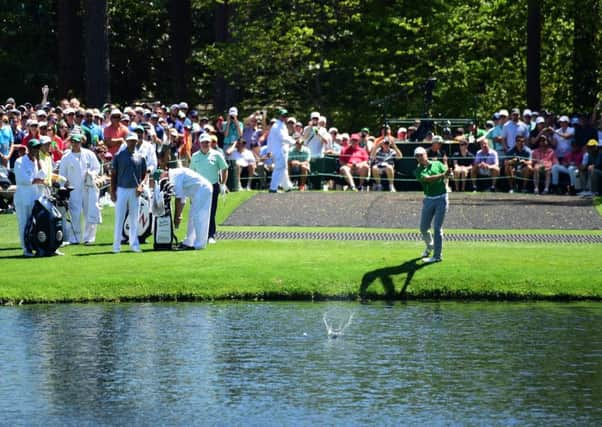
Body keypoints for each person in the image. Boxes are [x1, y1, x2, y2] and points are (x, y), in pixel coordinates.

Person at [58, 133, 102, 244]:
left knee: (89, 211)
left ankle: (89, 238)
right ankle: (75, 238)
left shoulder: (89, 154)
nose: (75, 144)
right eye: (73, 142)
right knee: (75, 213)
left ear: (81, 142)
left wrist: (91, 174)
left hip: (88, 187)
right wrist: (64, 186)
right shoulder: (66, 157)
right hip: (73, 189)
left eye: (77, 142)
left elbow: (97, 167)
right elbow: (62, 174)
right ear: (70, 142)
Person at [110, 133, 147, 253]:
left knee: (134, 218)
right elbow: (113, 174)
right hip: (121, 189)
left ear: (137, 142)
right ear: (126, 141)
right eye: (130, 141)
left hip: (135, 191)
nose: (132, 143)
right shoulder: (119, 155)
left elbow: (144, 174)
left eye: (134, 141)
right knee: (119, 217)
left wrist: (141, 185)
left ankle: (134, 244)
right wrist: (112, 191)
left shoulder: (140, 157)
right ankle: (116, 246)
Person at [190, 133, 228, 244]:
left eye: (207, 142)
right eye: (203, 142)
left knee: (211, 212)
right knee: (198, 211)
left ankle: (211, 235)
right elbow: (192, 172)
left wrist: (223, 184)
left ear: (210, 143)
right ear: (199, 143)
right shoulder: (195, 156)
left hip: (213, 186)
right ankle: (199, 234)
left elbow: (224, 169)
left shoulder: (217, 155)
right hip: (199, 187)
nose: (205, 144)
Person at [414, 146, 448, 263]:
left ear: (425, 154)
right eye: (417, 156)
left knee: (437, 228)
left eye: (421, 155)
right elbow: (428, 179)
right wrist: (444, 175)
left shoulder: (437, 164)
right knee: (423, 228)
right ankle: (430, 246)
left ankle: (437, 256)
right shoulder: (418, 171)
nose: (419, 158)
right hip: (428, 199)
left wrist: (449, 174)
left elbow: (447, 175)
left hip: (442, 198)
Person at [166, 166, 213, 250]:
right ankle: (189, 242)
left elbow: (179, 199)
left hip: (203, 189)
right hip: (197, 192)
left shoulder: (175, 176)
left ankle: (199, 244)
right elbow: (182, 199)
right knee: (192, 216)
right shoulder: (174, 175)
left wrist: (177, 217)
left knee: (199, 217)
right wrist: (179, 215)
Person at [14, 139, 46, 257]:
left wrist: (38, 163)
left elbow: (42, 176)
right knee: (24, 223)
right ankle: (26, 250)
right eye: (34, 147)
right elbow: (24, 179)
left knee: (35, 224)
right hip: (23, 197)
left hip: (34, 196)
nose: (36, 150)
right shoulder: (20, 161)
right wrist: (36, 180)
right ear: (29, 148)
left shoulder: (37, 162)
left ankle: (35, 246)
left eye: (37, 148)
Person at [267, 108, 293, 193]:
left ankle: (287, 187)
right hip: (279, 151)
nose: (285, 117)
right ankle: (273, 188)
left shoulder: (279, 125)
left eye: (286, 116)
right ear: (279, 116)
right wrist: (294, 141)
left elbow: (270, 139)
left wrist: (269, 150)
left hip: (280, 151)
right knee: (279, 169)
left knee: (283, 168)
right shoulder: (278, 126)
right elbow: (283, 138)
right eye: (283, 116)